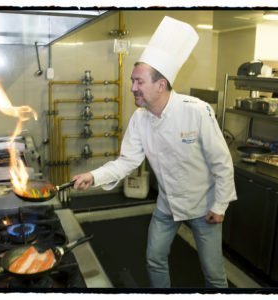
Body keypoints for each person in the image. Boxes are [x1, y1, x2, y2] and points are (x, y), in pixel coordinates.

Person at [72, 16, 237, 288]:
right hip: (167, 204)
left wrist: (220, 206)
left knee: (214, 274)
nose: (133, 87)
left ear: (161, 85)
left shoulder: (195, 111)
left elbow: (222, 163)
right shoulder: (140, 118)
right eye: (132, 81)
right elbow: (127, 162)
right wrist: (93, 176)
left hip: (203, 205)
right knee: (154, 259)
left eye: (139, 82)